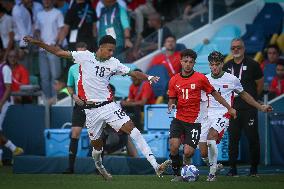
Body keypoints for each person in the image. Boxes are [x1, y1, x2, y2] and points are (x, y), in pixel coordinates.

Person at [23, 34, 171, 180]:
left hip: (109, 106)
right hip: (91, 111)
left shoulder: (113, 63)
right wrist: (37, 43)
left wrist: (148, 77)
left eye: (113, 50)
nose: (111, 53)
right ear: (100, 48)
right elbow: (58, 52)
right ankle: (100, 167)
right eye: (109, 50)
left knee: (134, 131)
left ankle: (156, 166)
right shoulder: (84, 56)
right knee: (97, 148)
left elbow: (132, 73)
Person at [198, 51, 272, 181]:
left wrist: (260, 106)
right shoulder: (205, 79)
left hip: (224, 113)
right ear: (209, 65)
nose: (214, 67)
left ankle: (212, 173)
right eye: (212, 65)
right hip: (207, 115)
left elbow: (244, 94)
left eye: (217, 64)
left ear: (222, 64)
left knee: (212, 136)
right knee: (203, 151)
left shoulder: (232, 79)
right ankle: (215, 165)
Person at [167, 49, 237, 182]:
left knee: (188, 152)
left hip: (195, 121)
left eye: (191, 62)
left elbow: (215, 94)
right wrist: (171, 105)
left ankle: (202, 169)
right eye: (185, 61)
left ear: (194, 63)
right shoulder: (174, 80)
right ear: (181, 62)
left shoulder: (201, 78)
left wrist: (229, 108)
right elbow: (171, 98)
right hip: (178, 119)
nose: (188, 64)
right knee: (174, 145)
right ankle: (177, 174)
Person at [223, 38, 264, 176]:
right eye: (233, 47)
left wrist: (252, 100)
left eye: (238, 47)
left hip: (249, 108)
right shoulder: (227, 66)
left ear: (244, 48)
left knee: (253, 138)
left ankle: (253, 170)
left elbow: (259, 84)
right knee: (233, 139)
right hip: (233, 108)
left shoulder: (253, 64)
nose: (236, 49)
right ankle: (232, 169)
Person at [0, 49, 24, 166]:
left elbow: (8, 89)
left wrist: (0, 104)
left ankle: (14, 149)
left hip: (3, 103)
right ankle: (14, 149)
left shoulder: (5, 68)